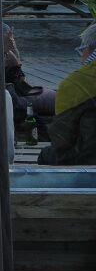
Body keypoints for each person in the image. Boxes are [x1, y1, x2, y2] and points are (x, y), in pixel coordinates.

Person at [39, 23, 96, 165]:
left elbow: (62, 142)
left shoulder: (76, 84)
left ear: (89, 49)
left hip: (87, 168)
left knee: (45, 155)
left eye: (82, 50)